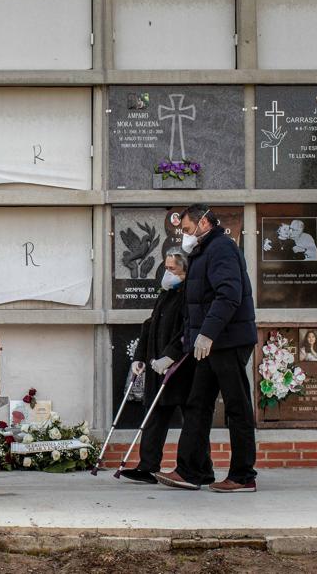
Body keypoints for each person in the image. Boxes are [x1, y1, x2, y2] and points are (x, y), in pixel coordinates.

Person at [155, 204, 259, 493]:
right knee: (197, 404)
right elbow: (195, 308)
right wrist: (177, 350)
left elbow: (229, 294)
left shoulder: (222, 248)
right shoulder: (201, 252)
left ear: (203, 223)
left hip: (228, 341)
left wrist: (208, 334)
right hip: (209, 343)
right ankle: (193, 471)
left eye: (187, 229)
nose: (185, 236)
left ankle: (242, 475)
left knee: (236, 407)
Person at [120, 249, 194, 484]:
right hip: (155, 366)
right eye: (166, 267)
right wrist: (140, 357)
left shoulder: (188, 295)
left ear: (184, 269)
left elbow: (187, 330)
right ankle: (147, 466)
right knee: (153, 417)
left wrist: (170, 356)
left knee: (192, 420)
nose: (167, 272)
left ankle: (194, 467)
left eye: (172, 268)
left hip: (179, 369)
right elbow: (150, 325)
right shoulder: (166, 293)